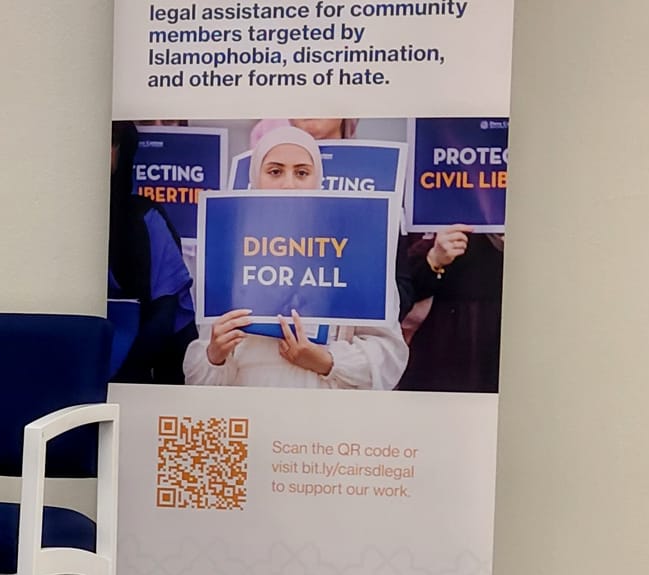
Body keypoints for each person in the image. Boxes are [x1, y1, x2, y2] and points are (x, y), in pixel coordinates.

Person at [184, 125, 409, 391]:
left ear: (318, 179)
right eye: (275, 171)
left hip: (325, 416)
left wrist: (325, 361)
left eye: (302, 172)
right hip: (251, 410)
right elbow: (197, 376)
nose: (288, 183)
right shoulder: (227, 254)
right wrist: (215, 354)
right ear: (255, 178)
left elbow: (389, 357)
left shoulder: (358, 250)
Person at [108, 119, 197, 383]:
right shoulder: (49, 218)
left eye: (111, 141)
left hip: (133, 381)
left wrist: (122, 376)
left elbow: (166, 317)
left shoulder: (145, 218)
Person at [398, 227, 505, 393]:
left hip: (514, 346)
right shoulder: (434, 213)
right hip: (446, 350)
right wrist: (434, 259)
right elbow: (400, 292)